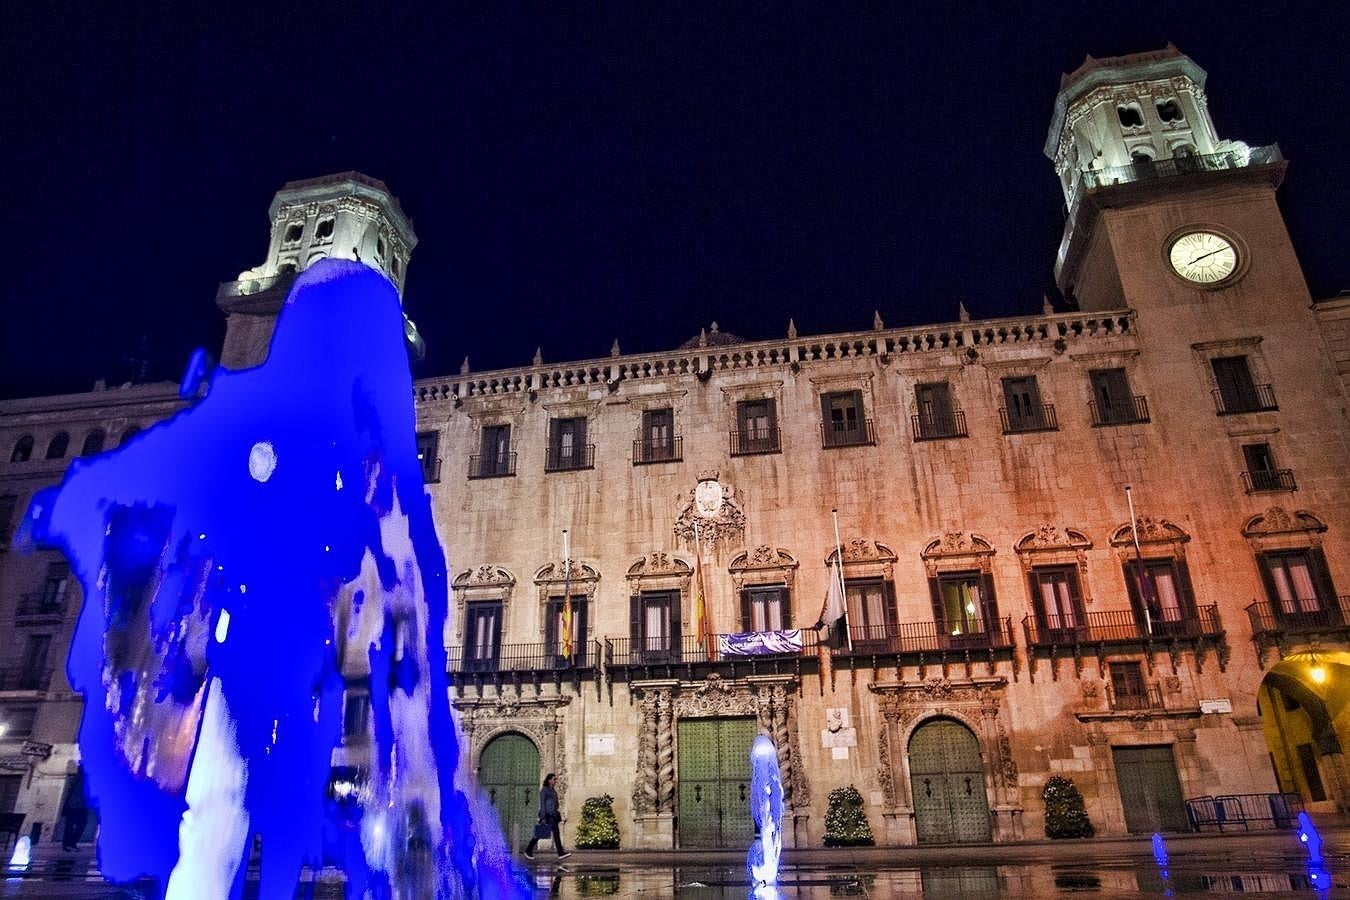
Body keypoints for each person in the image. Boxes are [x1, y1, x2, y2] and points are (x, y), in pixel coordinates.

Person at [523, 773, 570, 860]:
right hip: (547, 815)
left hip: (553, 815)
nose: (555, 781)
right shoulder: (544, 790)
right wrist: (543, 817)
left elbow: (555, 804)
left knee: (555, 833)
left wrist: (556, 811)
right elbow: (543, 804)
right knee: (541, 833)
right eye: (554, 779)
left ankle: (560, 853)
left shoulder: (553, 791)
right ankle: (528, 850)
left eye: (556, 779)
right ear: (549, 780)